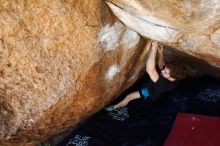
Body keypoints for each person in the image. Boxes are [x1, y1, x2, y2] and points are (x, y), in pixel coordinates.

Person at [106, 41, 181, 111]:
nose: (162, 71)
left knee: (129, 97)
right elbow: (161, 65)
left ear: (172, 78)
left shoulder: (164, 84)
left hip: (150, 91)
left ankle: (114, 107)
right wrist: (160, 53)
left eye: (165, 72)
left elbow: (150, 70)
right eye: (164, 70)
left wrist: (153, 49)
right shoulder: (172, 75)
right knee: (149, 82)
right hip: (152, 83)